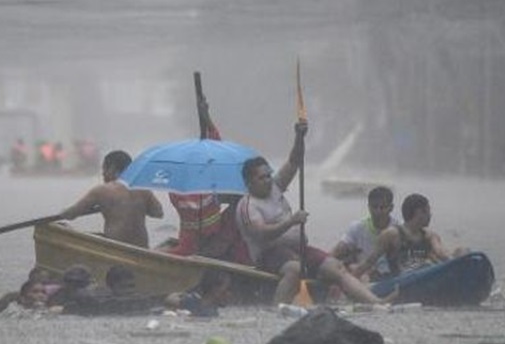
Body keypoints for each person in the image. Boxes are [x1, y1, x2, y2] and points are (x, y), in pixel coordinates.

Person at [236, 121, 393, 306]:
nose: (268, 180)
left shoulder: (275, 187)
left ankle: (377, 303)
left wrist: (299, 136)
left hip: (298, 249)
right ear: (249, 182)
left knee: (336, 266)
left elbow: (294, 161)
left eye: (269, 175)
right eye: (262, 178)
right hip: (269, 255)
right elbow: (261, 233)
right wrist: (291, 222)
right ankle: (277, 311)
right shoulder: (247, 206)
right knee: (295, 269)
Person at [163, 97, 251, 264]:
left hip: (216, 239)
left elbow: (216, 144)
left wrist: (205, 116)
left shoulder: (209, 181)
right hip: (191, 245)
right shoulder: (178, 190)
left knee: (240, 203)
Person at [59, 150, 163, 248]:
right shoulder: (142, 189)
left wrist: (63, 212)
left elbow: (71, 214)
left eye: (104, 169)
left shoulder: (101, 191)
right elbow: (158, 213)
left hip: (115, 248)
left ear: (113, 169)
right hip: (142, 249)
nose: (102, 173)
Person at [352, 193, 454, 280]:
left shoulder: (430, 236)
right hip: (401, 281)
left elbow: (442, 254)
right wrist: (350, 281)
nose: (430, 215)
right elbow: (369, 262)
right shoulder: (391, 235)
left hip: (424, 274)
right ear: (418, 213)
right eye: (427, 211)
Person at [330, 186, 398, 282]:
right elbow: (336, 252)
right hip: (363, 275)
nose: (378, 211)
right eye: (374, 207)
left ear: (391, 208)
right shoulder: (357, 227)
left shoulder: (398, 229)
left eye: (383, 207)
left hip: (391, 276)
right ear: (369, 207)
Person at [164, 269, 233, 318]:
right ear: (215, 289)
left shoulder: (213, 312)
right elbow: (170, 301)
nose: (230, 294)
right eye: (227, 289)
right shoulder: (190, 301)